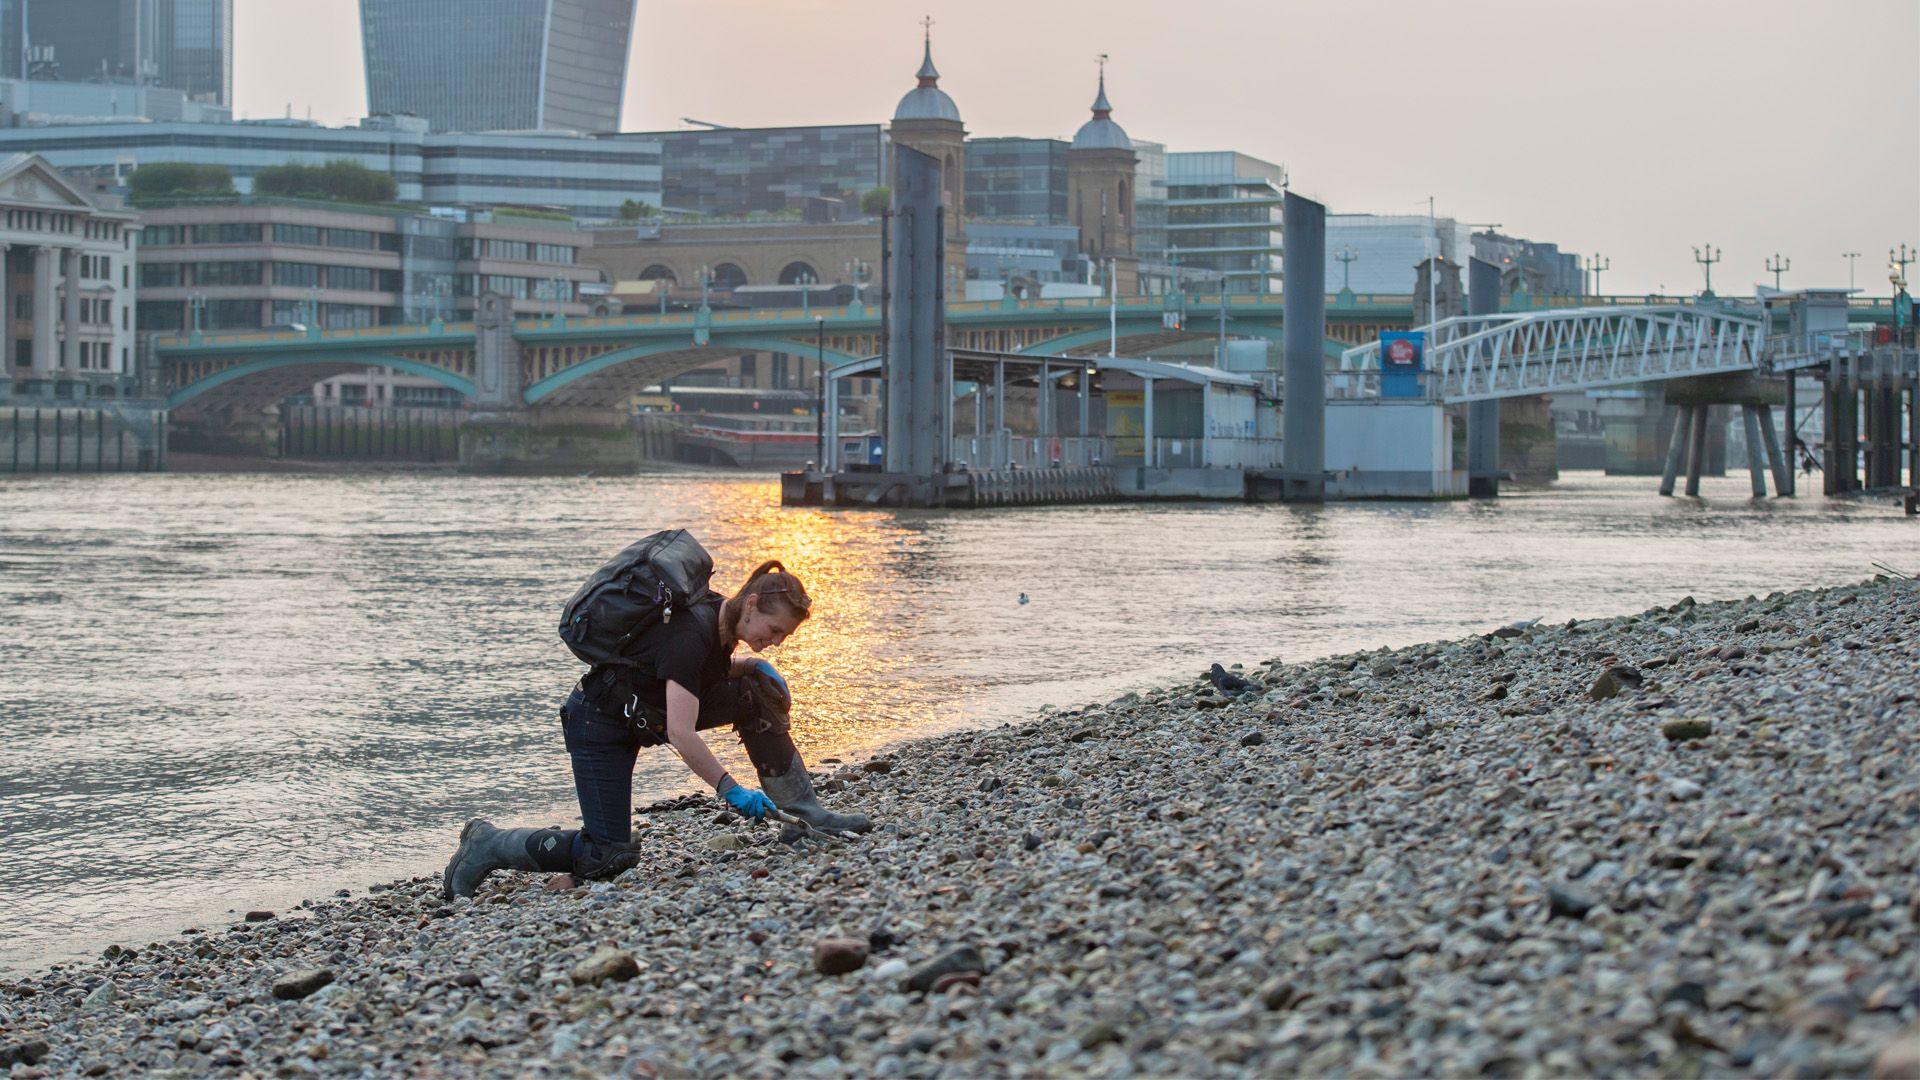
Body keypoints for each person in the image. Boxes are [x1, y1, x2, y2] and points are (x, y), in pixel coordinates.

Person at [443, 560, 871, 899]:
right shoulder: (690, 634)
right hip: (599, 726)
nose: (776, 641)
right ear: (753, 603)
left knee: (755, 689)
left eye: (783, 636)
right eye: (775, 630)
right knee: (608, 855)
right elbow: (682, 732)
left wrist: (752, 665)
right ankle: (489, 844)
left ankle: (802, 813)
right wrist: (730, 789)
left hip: (646, 714)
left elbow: (682, 678)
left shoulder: (719, 619)